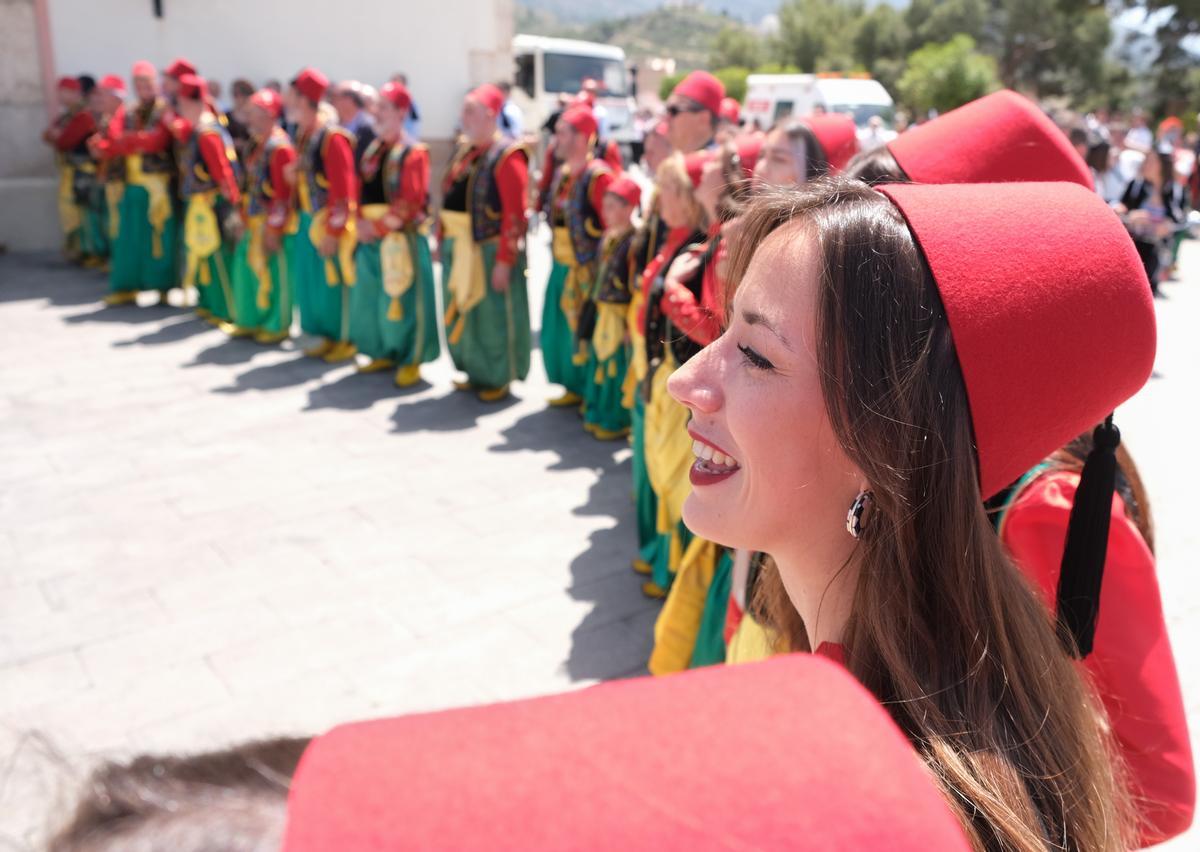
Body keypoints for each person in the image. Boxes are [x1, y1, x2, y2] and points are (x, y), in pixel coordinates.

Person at [668, 177, 1156, 850]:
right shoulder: (915, 696)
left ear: (886, 438)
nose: (684, 380)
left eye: (755, 354)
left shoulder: (875, 809)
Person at [637, 152, 708, 609]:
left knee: (679, 476)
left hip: (683, 375)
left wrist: (673, 295)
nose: (659, 199)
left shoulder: (699, 247)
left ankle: (675, 571)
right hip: (659, 368)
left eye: (668, 190)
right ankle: (663, 560)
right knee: (661, 468)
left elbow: (709, 327)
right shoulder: (673, 239)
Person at [438, 84, 531, 402]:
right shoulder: (465, 150)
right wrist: (441, 237)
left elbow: (515, 214)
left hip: (489, 250)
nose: (463, 117)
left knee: (492, 316)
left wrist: (504, 260)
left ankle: (498, 376)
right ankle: (475, 371)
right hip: (460, 246)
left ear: (491, 115)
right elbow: (448, 195)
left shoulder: (508, 155)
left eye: (470, 111)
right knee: (468, 313)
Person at [349, 81, 439, 387]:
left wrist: (376, 227)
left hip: (399, 239)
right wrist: (359, 223)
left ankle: (410, 357)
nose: (376, 113)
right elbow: (361, 190)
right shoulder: (374, 150)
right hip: (372, 237)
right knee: (371, 298)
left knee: (403, 299)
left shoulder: (412, 152)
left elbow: (409, 201)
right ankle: (380, 351)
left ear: (401, 113)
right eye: (376, 107)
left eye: (384, 107)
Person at [88, 60, 179, 306]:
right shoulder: (129, 111)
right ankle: (127, 286)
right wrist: (132, 141)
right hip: (133, 184)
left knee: (160, 238)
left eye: (146, 82)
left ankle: (162, 286)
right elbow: (115, 140)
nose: (142, 87)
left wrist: (130, 141)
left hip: (157, 186)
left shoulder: (165, 109)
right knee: (128, 238)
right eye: (137, 83)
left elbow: (157, 141)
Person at [541, 104, 614, 408]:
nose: (555, 139)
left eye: (562, 133)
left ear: (582, 137)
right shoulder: (562, 173)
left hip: (585, 271)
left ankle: (590, 392)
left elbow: (612, 226)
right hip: (560, 265)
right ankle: (572, 385)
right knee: (559, 329)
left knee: (585, 329)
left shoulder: (599, 177)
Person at [287, 67, 359, 362]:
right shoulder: (305, 134)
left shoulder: (333, 138)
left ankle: (344, 337)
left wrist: (333, 230)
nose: (285, 100)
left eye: (290, 95)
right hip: (307, 218)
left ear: (303, 99)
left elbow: (344, 190)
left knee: (333, 283)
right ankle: (322, 334)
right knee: (313, 282)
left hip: (327, 222)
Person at [174, 74, 245, 332]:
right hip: (203, 203)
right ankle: (211, 303)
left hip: (214, 204)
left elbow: (223, 173)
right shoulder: (202, 129)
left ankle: (227, 308)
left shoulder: (207, 132)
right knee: (204, 255)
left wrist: (232, 206)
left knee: (218, 257)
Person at [231, 88, 297, 345]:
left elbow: (284, 193)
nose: (249, 117)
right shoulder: (256, 144)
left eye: (255, 112)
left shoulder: (280, 148)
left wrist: (275, 227)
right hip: (253, 218)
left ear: (270, 115)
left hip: (271, 221)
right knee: (246, 269)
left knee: (275, 274)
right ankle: (249, 320)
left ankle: (276, 324)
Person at [579, 175, 641, 439]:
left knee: (614, 367)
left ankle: (615, 420)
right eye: (604, 206)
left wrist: (630, 324)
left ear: (629, 208)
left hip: (619, 316)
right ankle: (597, 411)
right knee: (599, 363)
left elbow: (634, 287)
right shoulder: (608, 238)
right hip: (603, 312)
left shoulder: (635, 243)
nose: (605, 212)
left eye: (612, 206)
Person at [42, 76, 96, 265]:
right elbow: (48, 134)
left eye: (64, 92)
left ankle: (91, 251)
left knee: (84, 212)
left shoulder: (83, 114)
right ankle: (79, 250)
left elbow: (65, 140)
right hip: (71, 172)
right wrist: (56, 136)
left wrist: (57, 136)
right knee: (72, 211)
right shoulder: (68, 115)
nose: (61, 97)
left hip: (83, 172)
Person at [1116, 148, 1182, 297]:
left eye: (1152, 161)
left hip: (1156, 253)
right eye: (1146, 160)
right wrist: (1132, 216)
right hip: (1133, 249)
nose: (1146, 164)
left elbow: (1178, 220)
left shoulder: (1172, 190)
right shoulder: (1136, 185)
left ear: (1162, 165)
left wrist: (1167, 225)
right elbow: (1121, 209)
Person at [664, 71, 724, 154]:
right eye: (667, 110)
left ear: (703, 119)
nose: (667, 118)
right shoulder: (676, 162)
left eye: (674, 110)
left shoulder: (718, 164)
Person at [332, 80, 376, 161]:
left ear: (349, 100)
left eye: (336, 97)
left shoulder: (369, 128)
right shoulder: (333, 125)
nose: (333, 102)